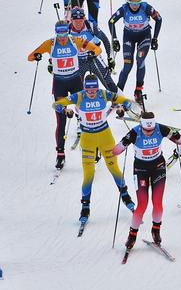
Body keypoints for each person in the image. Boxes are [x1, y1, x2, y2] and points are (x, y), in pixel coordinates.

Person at [52, 74, 138, 224]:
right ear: (84, 88)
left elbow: (123, 99)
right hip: (88, 139)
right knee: (89, 174)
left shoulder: (103, 94)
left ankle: (126, 198)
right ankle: (85, 208)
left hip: (105, 137)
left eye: (94, 89)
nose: (91, 92)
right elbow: (57, 103)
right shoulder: (78, 96)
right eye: (88, 89)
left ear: (97, 88)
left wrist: (127, 104)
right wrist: (61, 107)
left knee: (114, 169)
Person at [27, 20, 102, 169]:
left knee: (86, 116)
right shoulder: (50, 43)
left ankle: (94, 149)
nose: (62, 37)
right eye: (59, 33)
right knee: (61, 121)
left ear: (68, 32)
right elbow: (30, 56)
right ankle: (60, 155)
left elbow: (97, 50)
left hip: (75, 82)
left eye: (64, 33)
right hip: (59, 84)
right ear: (56, 32)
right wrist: (37, 56)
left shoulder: (75, 41)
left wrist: (93, 52)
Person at [113, 112, 181, 248]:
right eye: (146, 130)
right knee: (142, 204)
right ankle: (132, 235)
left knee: (157, 203)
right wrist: (123, 144)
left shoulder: (161, 129)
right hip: (140, 170)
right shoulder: (134, 133)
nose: (148, 132)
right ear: (141, 125)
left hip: (158, 167)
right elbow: (115, 151)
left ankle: (156, 230)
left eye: (151, 130)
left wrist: (177, 138)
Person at [108, 0, 163, 105]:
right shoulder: (124, 9)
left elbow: (159, 19)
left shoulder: (145, 7)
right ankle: (118, 93)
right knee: (127, 65)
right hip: (129, 37)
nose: (134, 6)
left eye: (137, 3)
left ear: (140, 2)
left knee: (140, 60)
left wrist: (155, 38)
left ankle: (138, 91)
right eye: (132, 4)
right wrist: (114, 39)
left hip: (144, 37)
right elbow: (111, 21)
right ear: (128, 2)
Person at [69, 6, 118, 92]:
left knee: (109, 83)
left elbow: (105, 40)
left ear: (84, 19)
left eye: (80, 20)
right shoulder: (67, 30)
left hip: (94, 58)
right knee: (76, 90)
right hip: (78, 61)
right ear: (71, 20)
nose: (78, 24)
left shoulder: (90, 26)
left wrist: (110, 58)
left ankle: (119, 101)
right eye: (75, 21)